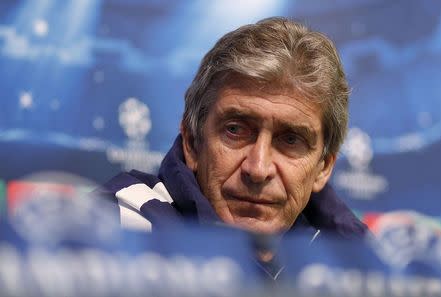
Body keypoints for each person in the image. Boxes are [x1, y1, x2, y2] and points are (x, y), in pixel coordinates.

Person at [97, 17, 366, 241]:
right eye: (236, 130)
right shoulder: (118, 226)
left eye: (291, 140)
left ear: (323, 168)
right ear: (192, 142)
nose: (258, 170)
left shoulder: (357, 259)